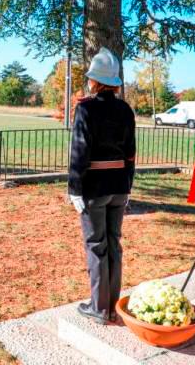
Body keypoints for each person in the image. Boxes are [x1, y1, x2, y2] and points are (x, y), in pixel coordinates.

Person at [68, 47, 136, 325]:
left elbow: (80, 151)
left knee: (97, 246)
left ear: (95, 80)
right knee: (114, 245)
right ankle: (110, 306)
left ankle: (99, 308)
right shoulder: (125, 109)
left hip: (94, 188)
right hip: (119, 185)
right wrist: (128, 185)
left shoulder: (86, 108)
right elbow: (130, 153)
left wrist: (74, 188)